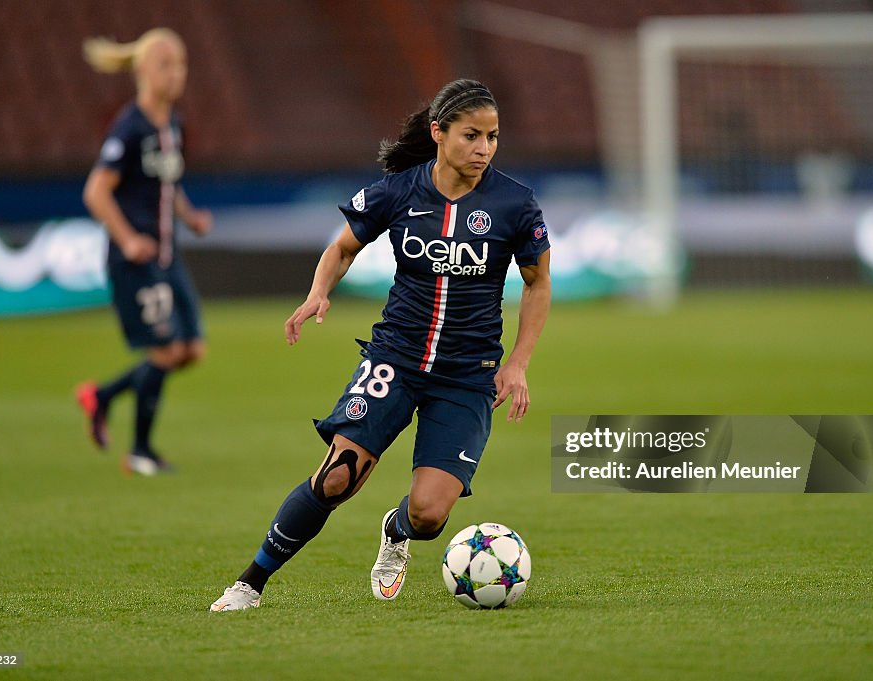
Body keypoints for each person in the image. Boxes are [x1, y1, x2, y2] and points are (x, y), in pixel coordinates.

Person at [209, 79, 552, 611]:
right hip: (395, 357)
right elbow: (343, 246)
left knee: (429, 515)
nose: (484, 149)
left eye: (492, 137)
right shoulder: (397, 191)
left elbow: (536, 283)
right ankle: (249, 584)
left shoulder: (515, 204)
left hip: (467, 373)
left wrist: (518, 364)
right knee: (337, 478)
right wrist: (318, 293)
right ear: (438, 133)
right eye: (471, 136)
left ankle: (395, 530)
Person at [74, 28, 212, 476]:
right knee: (168, 350)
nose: (176, 74)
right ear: (141, 71)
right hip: (136, 259)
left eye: (181, 64)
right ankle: (140, 451)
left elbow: (166, 184)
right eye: (165, 65)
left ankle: (103, 397)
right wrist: (128, 239)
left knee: (192, 350)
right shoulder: (129, 125)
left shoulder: (172, 124)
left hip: (167, 256)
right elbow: (96, 191)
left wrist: (189, 216)